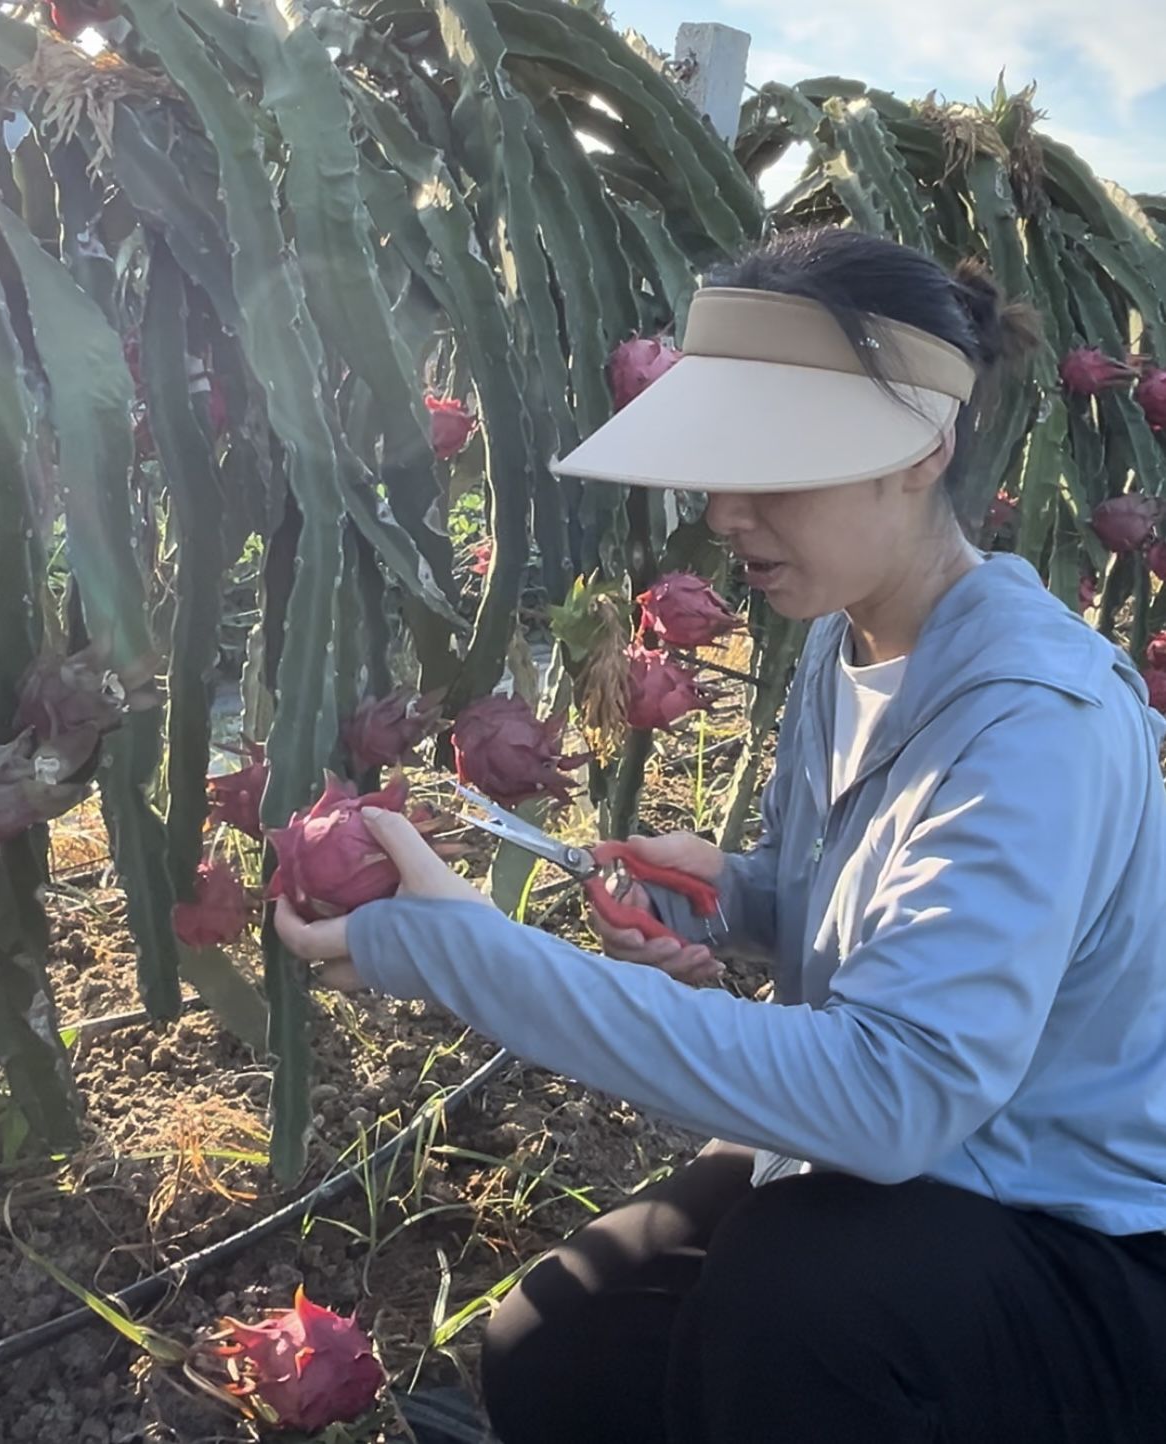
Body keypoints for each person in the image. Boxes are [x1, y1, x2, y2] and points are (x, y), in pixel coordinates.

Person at [274, 228, 1166, 1443]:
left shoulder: (1037, 720)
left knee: (793, 1310)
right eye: (716, 463)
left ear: (923, 446)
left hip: (1077, 1240)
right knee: (555, 1345)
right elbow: (910, 926)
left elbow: (897, 1093)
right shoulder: (843, 635)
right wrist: (747, 899)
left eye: (775, 464)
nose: (726, 511)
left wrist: (450, 949)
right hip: (903, 1186)